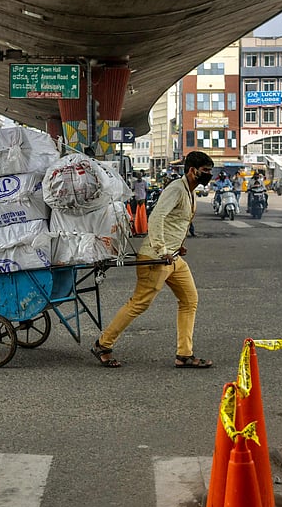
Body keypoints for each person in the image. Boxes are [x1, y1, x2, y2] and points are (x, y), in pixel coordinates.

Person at [91, 150, 214, 369]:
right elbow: (157, 217)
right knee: (139, 303)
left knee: (189, 300)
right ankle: (103, 344)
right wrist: (162, 248)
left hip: (173, 258)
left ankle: (184, 355)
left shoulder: (189, 191)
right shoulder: (176, 188)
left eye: (209, 171)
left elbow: (174, 222)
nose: (208, 175)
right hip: (156, 257)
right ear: (192, 170)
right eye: (205, 171)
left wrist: (177, 246)